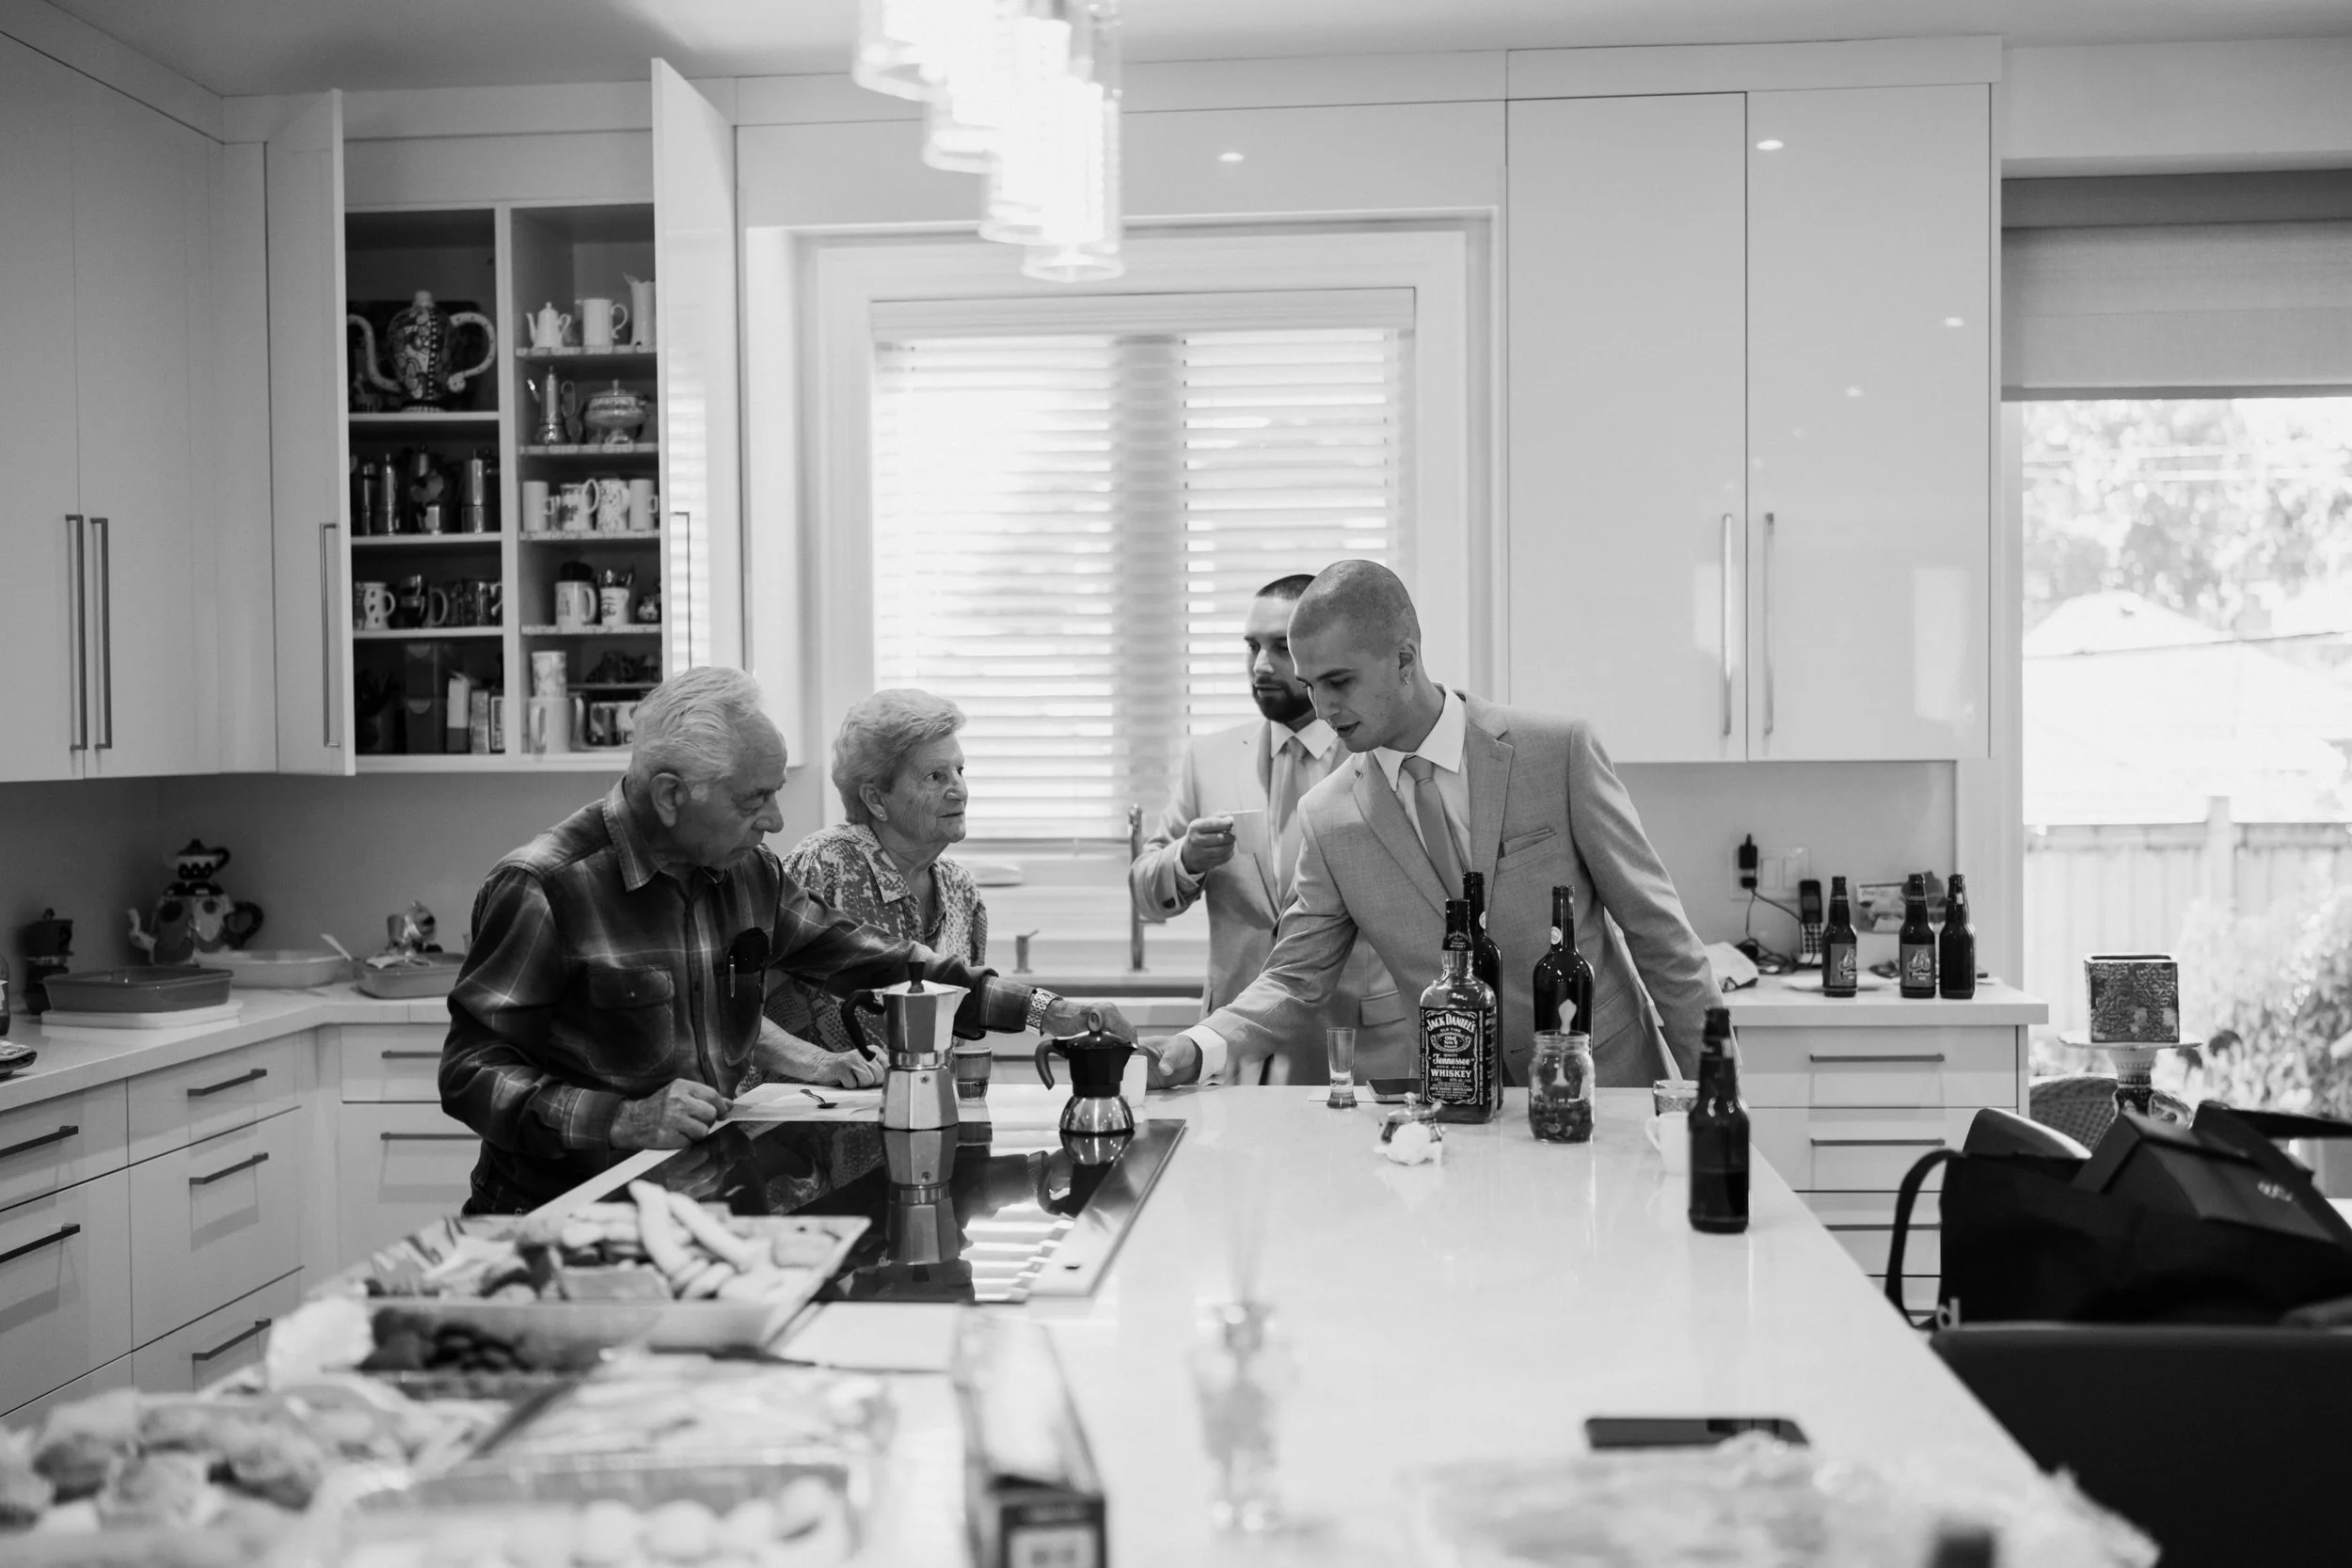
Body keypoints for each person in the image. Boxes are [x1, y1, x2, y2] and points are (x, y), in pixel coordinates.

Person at [440, 666, 1131, 1212]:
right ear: (672, 795)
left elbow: (878, 960)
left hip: (693, 1207)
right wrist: (621, 1118)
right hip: (562, 1214)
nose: (775, 819)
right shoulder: (545, 886)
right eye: (753, 800)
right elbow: (470, 1072)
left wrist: (1040, 1008)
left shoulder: (746, 872)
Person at [1142, 562, 1712, 1089]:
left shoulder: (1556, 753)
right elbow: (1294, 977)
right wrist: (1193, 1048)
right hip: (1459, 1103)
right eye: (1312, 684)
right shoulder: (1329, 815)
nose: (1321, 707)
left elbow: (1658, 933)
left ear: (1404, 658)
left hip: (1606, 1085)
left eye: (1339, 682)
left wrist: (1717, 1090)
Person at [1130, 575, 1410, 1083]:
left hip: (1356, 1045)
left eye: (1281, 648)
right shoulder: (1208, 759)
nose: (1261, 666)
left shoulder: (1385, 760)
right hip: (1230, 1051)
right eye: (1252, 647)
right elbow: (1146, 893)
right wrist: (1186, 860)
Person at [759, 689, 987, 1070]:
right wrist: (818, 1062)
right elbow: (733, 1012)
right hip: (802, 1117)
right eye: (935, 776)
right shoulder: (824, 864)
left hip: (921, 1115)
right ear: (876, 800)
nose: (959, 790)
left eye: (959, 771)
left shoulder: (960, 889)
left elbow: (964, 1020)